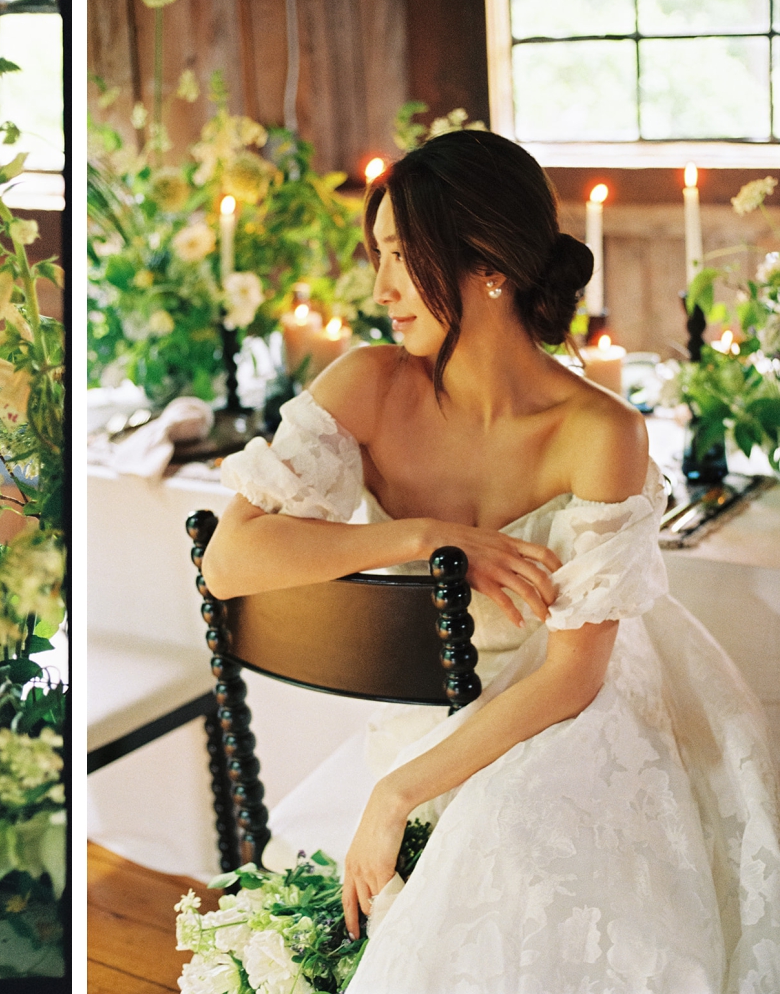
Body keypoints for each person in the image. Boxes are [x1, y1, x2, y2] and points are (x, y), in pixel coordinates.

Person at [200, 129, 780, 993]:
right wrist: (418, 534)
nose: (380, 286)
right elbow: (228, 559)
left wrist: (396, 794)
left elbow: (576, 679)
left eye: (401, 255)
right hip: (433, 706)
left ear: (490, 264)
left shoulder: (603, 432)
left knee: (511, 873)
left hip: (569, 715)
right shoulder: (369, 383)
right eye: (379, 254)